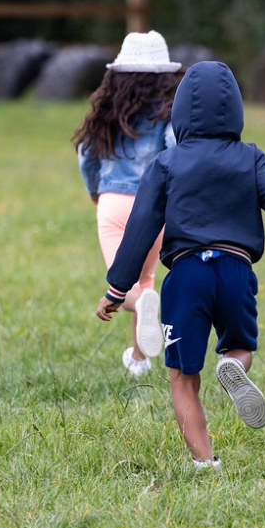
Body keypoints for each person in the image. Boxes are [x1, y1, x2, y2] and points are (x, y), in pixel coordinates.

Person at [94, 61, 265, 469]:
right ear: (235, 110)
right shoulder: (249, 157)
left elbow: (140, 229)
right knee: (240, 345)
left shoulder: (166, 163)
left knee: (183, 378)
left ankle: (205, 463)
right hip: (235, 270)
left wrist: (117, 288)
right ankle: (232, 365)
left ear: (180, 112)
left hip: (187, 275)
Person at [73, 30, 182, 376]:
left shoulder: (108, 109)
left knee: (125, 288)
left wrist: (95, 190)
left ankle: (140, 335)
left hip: (113, 204)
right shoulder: (168, 111)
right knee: (145, 279)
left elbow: (86, 153)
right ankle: (138, 359)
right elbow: (176, 148)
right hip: (154, 209)